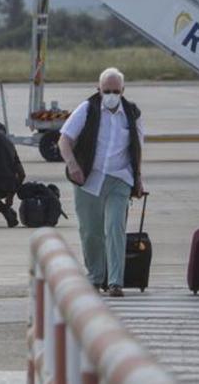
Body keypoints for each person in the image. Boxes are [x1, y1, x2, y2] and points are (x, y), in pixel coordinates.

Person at [59, 67, 145, 297]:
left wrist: (138, 178)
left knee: (115, 227)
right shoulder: (87, 109)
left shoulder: (132, 113)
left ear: (123, 90)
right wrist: (72, 165)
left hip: (120, 178)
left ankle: (116, 281)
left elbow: (137, 150)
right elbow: (64, 140)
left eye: (116, 91)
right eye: (107, 90)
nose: (111, 95)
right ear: (98, 89)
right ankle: (96, 276)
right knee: (91, 231)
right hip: (89, 178)